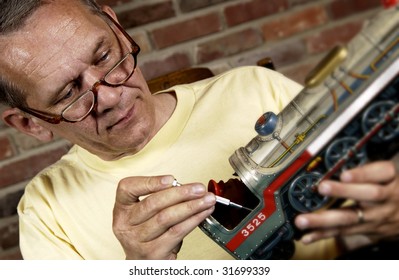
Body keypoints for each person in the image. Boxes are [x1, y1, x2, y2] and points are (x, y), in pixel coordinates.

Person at [0, 0, 397, 260]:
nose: (109, 95)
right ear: (29, 123)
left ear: (118, 28)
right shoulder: (46, 212)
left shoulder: (254, 87)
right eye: (69, 93)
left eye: (105, 55)